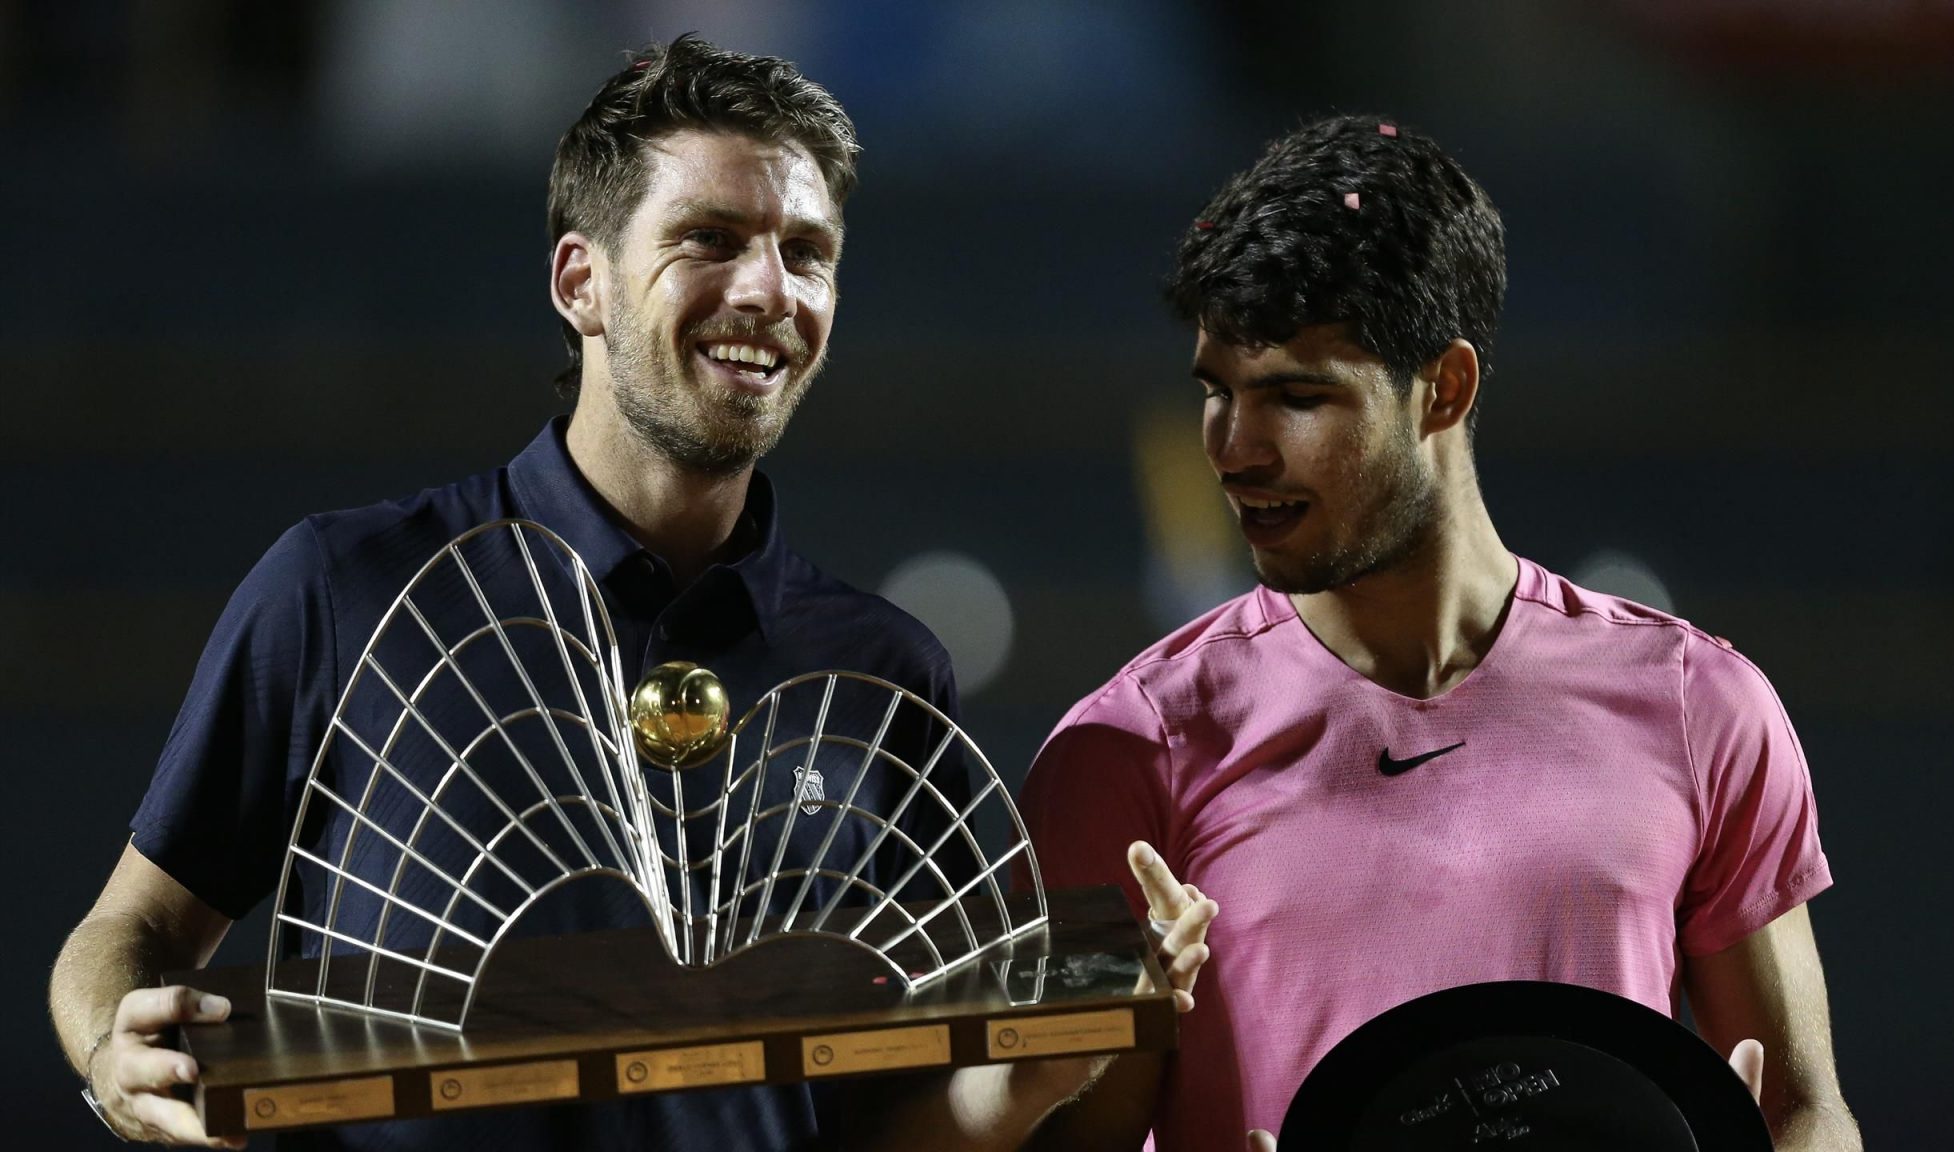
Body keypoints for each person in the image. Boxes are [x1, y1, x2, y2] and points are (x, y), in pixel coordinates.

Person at [48, 35, 1214, 1151]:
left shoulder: (888, 672)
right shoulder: (340, 587)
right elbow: (133, 927)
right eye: (710, 238)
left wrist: (1026, 1082)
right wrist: (110, 1048)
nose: (768, 289)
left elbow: (889, 1132)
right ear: (581, 280)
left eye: (806, 253)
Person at [1019, 115, 1861, 1151]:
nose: (1231, 448)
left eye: (1293, 396)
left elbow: (1801, 1108)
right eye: (1214, 392)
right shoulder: (1126, 753)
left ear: (1443, 388)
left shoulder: (1700, 705)